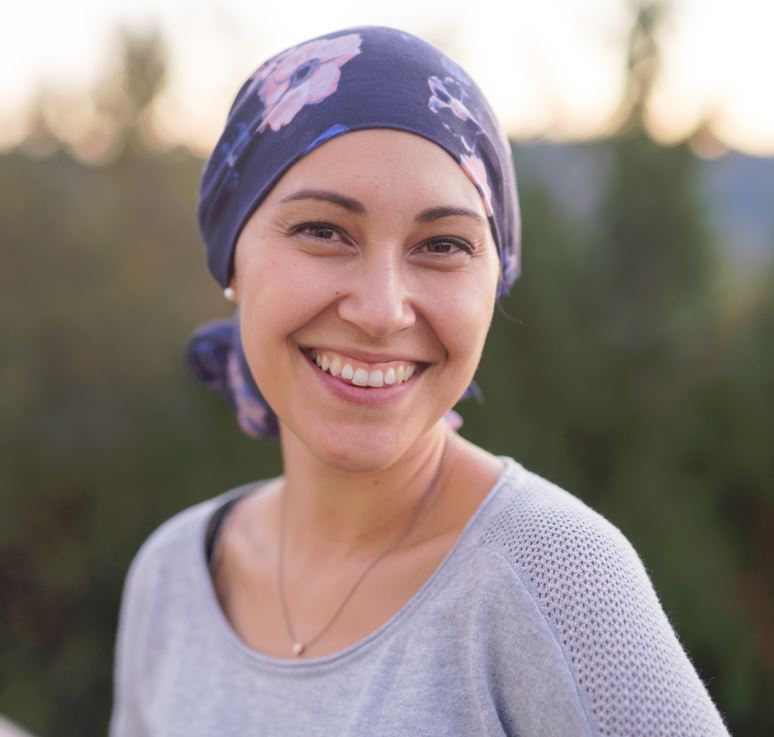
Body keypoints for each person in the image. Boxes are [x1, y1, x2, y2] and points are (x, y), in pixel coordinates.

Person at [109, 26, 730, 737]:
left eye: (443, 246)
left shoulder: (556, 576)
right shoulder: (172, 578)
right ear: (232, 262)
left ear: (495, 282)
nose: (381, 310)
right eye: (323, 230)